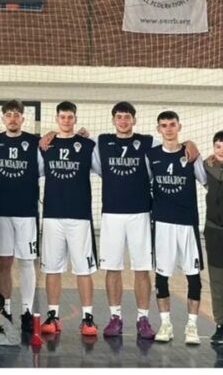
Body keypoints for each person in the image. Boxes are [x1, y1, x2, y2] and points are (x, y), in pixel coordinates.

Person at [95, 102, 156, 339]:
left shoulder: (148, 142)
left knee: (142, 268)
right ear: (113, 120)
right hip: (111, 214)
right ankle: (115, 317)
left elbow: (171, 149)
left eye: (127, 117)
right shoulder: (102, 142)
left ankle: (143, 318)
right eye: (119, 117)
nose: (123, 121)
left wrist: (190, 144)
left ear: (134, 120)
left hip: (140, 213)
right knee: (113, 267)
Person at [39, 101, 100, 336]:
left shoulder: (87, 145)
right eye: (62, 117)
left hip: (80, 216)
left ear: (75, 119)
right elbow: (36, 171)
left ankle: (87, 318)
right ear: (57, 119)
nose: (66, 121)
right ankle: (52, 315)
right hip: (52, 215)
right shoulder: (46, 145)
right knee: (51, 268)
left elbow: (102, 168)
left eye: (70, 117)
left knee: (83, 269)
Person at [146, 110, 206, 345]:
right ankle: (165, 324)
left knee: (194, 278)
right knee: (162, 278)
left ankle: (192, 326)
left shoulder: (191, 155)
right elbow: (144, 183)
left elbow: (207, 182)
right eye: (164, 125)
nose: (169, 129)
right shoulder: (151, 155)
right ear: (158, 129)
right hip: (162, 223)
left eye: (172, 124)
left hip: (187, 224)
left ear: (179, 127)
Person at [0, 99, 41, 331]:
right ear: (3, 118)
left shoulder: (34, 142)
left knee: (27, 261)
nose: (13, 118)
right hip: (1, 211)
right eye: (8, 114)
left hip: (27, 212)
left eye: (17, 115)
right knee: (4, 262)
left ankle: (27, 310)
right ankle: (5, 309)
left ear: (23, 118)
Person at [205, 131, 223, 345]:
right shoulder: (207, 166)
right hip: (214, 232)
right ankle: (220, 325)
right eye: (218, 146)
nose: (221, 151)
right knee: (218, 281)